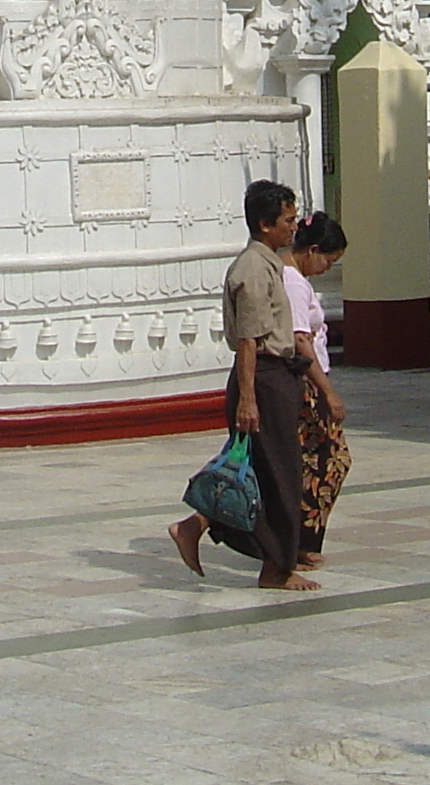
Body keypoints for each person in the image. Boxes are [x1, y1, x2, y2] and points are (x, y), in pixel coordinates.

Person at [168, 180, 316, 591]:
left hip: (276, 377)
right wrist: (248, 399)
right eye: (287, 220)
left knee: (265, 472)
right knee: (280, 476)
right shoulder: (252, 270)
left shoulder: (270, 263)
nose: (294, 228)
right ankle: (276, 567)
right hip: (263, 379)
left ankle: (198, 526)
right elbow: (249, 341)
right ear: (265, 225)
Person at [284, 212, 351, 568]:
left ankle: (301, 540)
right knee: (326, 462)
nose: (327, 267)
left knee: (319, 462)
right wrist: (327, 392)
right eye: (327, 259)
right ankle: (298, 541)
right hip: (306, 383)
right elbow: (300, 340)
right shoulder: (293, 283)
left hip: (311, 381)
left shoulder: (297, 281)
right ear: (311, 250)